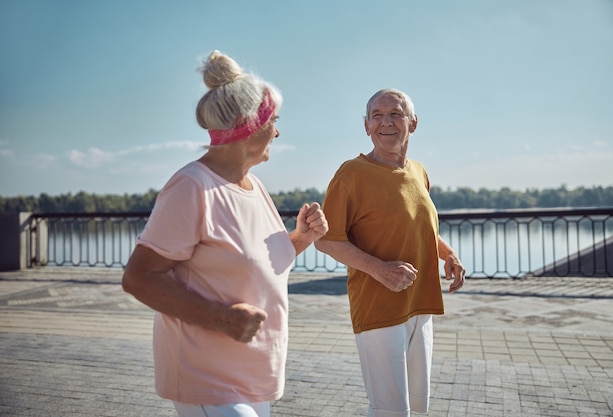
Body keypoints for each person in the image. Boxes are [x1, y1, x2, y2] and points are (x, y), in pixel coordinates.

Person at [122, 50, 328, 417]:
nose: (278, 132)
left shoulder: (255, 187)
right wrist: (222, 319)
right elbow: (139, 277)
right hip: (207, 375)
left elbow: (258, 264)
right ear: (250, 124)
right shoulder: (191, 187)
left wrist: (301, 238)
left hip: (255, 375)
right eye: (273, 121)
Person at [314, 88, 466, 416]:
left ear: (413, 123)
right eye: (377, 115)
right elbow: (326, 240)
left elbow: (421, 227)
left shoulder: (419, 172)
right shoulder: (350, 175)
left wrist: (449, 255)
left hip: (421, 305)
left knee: (418, 409)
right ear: (366, 125)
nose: (386, 122)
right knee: (389, 410)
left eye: (395, 113)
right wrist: (379, 269)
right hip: (378, 307)